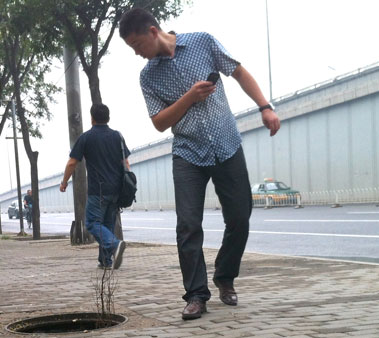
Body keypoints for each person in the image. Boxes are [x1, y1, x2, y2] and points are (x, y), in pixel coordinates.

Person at [119, 8, 280, 320]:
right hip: (188, 154)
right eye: (131, 49)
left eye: (137, 45)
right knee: (188, 225)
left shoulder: (203, 42)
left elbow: (239, 72)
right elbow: (158, 122)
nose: (137, 53)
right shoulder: (148, 76)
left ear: (153, 32)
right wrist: (189, 97)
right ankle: (196, 295)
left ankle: (225, 276)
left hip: (226, 144)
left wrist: (265, 107)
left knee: (240, 217)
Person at [60, 103, 128, 270]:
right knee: (107, 224)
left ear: (92, 118)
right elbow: (125, 163)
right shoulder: (117, 137)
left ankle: (114, 244)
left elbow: (72, 162)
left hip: (98, 189)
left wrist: (64, 182)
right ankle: (105, 261)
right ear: (108, 118)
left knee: (92, 223)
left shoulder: (86, 137)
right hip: (116, 190)